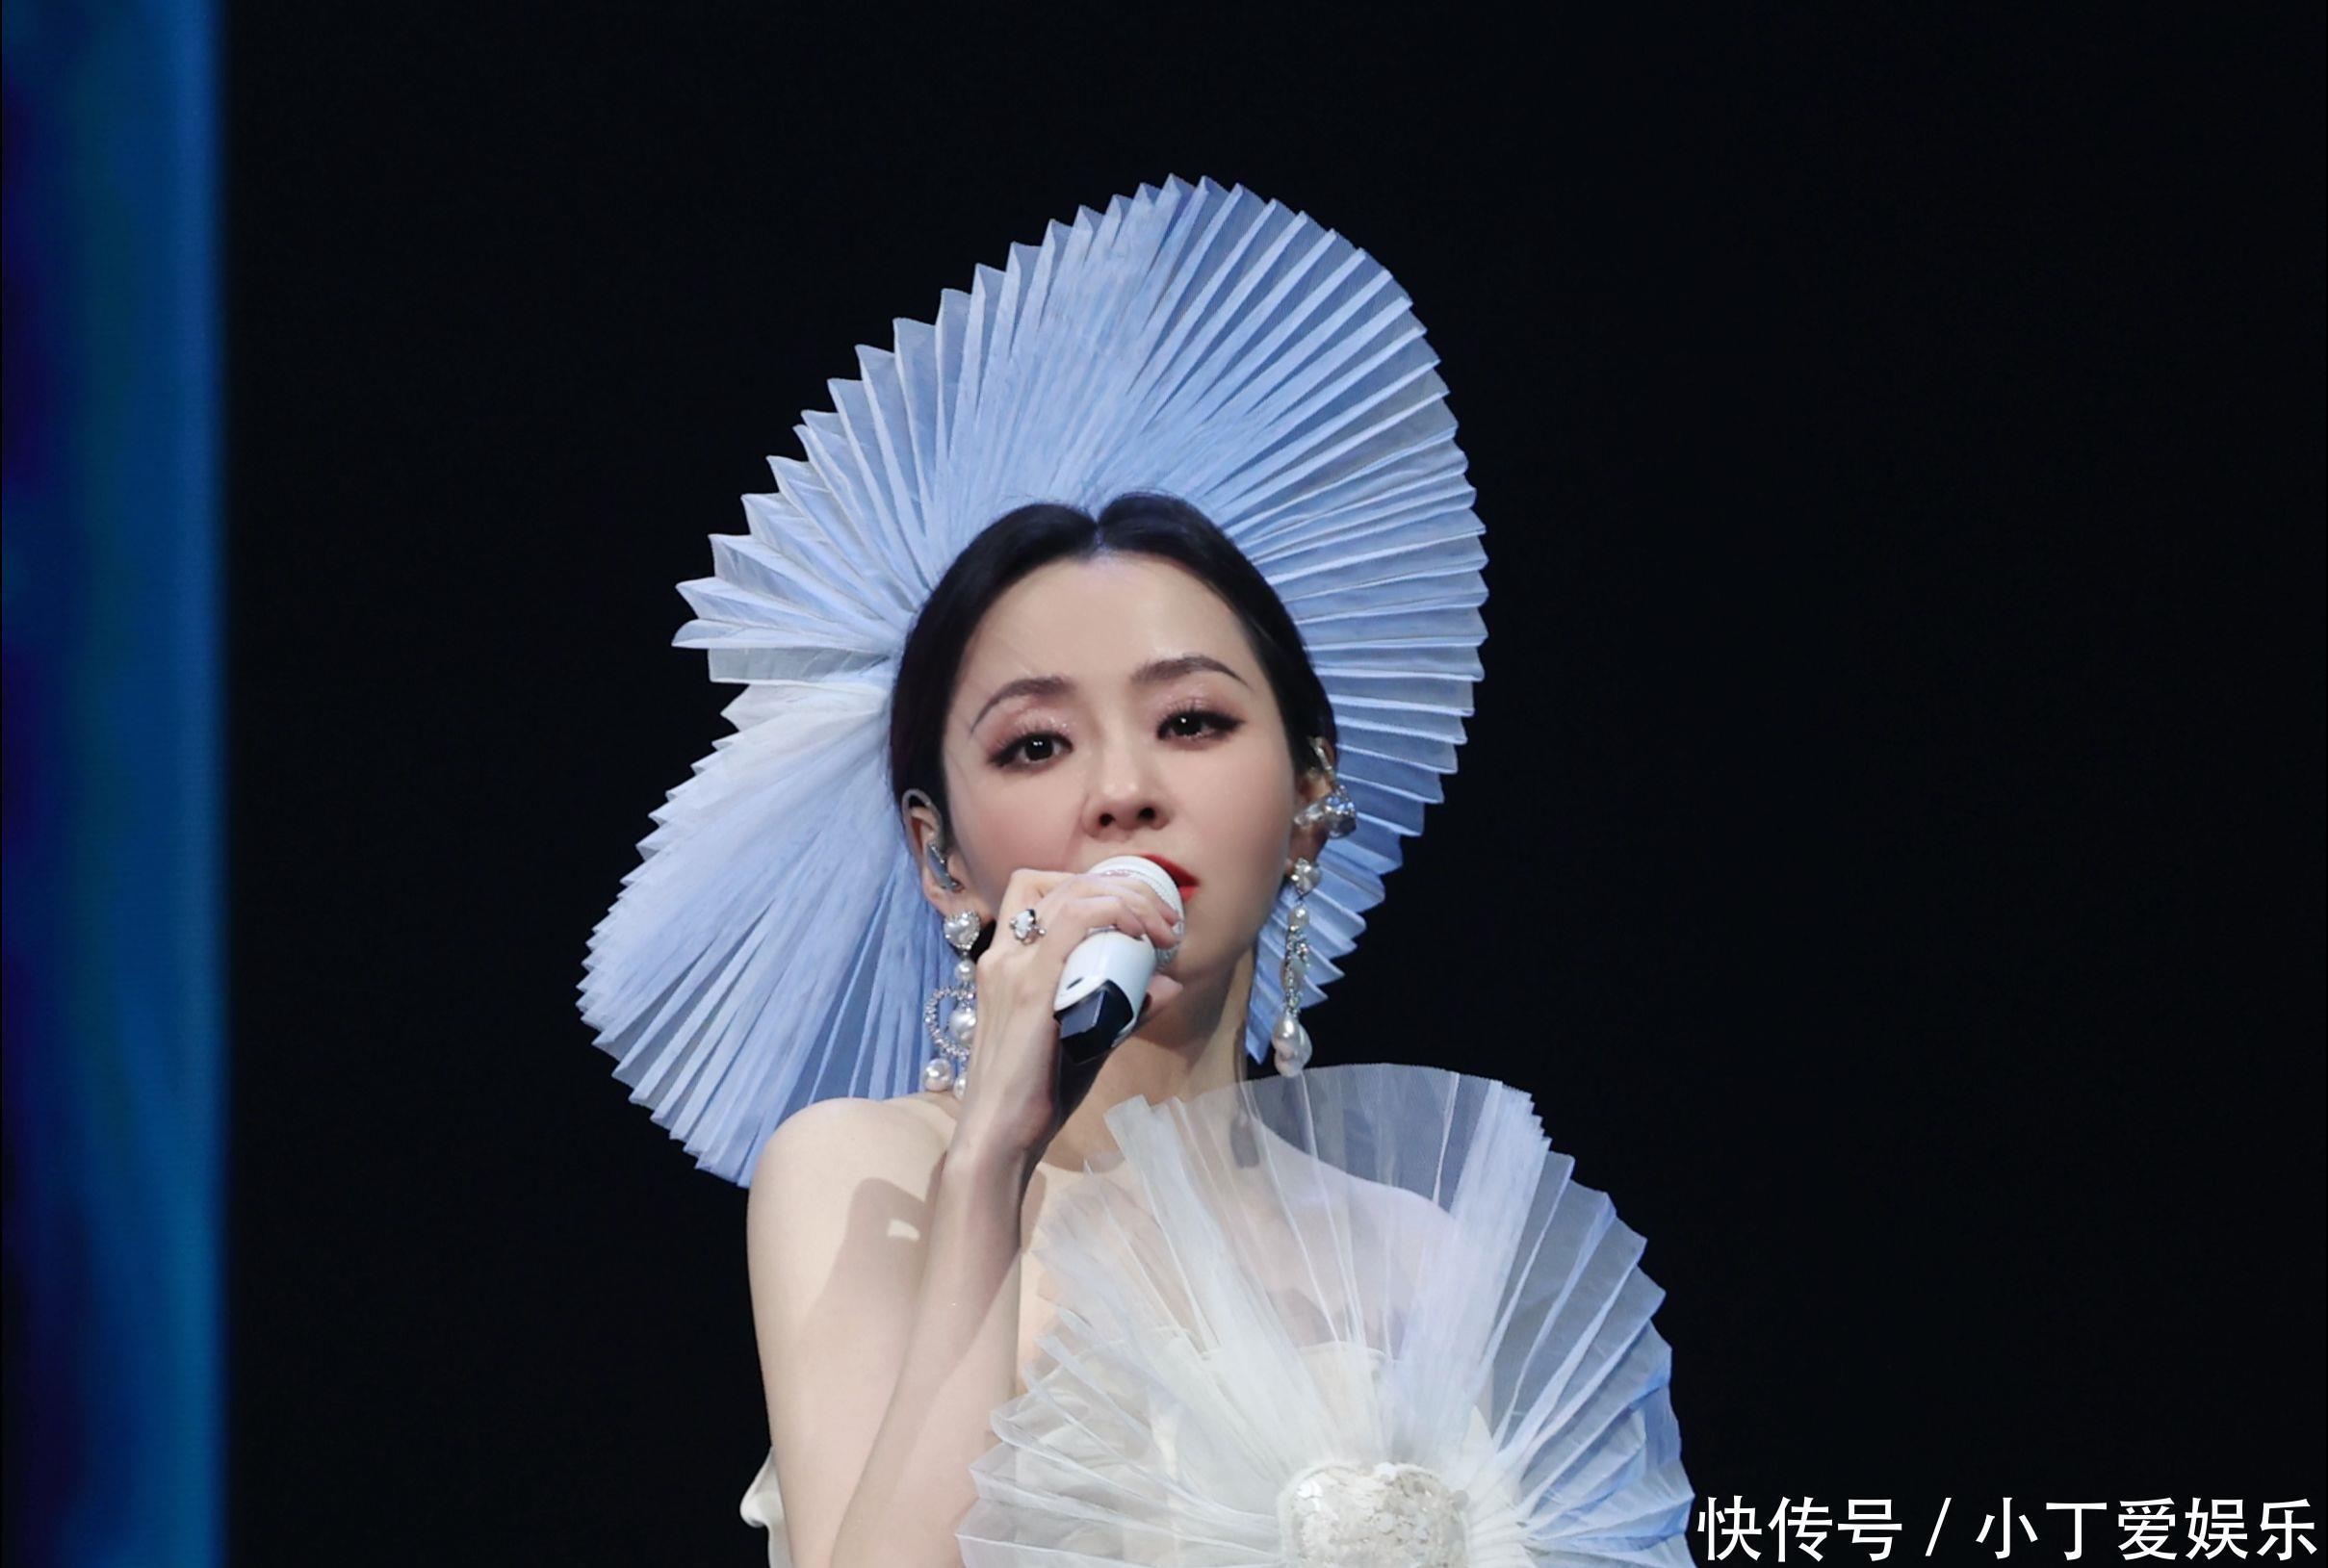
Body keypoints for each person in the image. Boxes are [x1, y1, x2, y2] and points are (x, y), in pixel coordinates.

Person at [578, 177, 1692, 1567]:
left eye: (1193, 721)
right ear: (939, 855)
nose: (1122, 789)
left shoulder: (1421, 1251)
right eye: (1036, 743)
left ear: (1310, 797)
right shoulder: (869, 1182)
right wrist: (993, 1164)